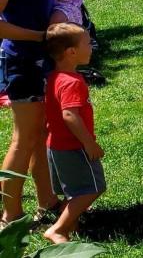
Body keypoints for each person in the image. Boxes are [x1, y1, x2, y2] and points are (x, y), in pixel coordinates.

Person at [0, 0, 60, 227]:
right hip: (23, 60)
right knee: (24, 138)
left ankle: (47, 201)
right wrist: (39, 36)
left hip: (42, 56)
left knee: (41, 133)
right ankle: (10, 216)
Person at [40, 23, 103, 244]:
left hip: (55, 145)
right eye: (87, 43)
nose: (91, 46)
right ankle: (58, 229)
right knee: (91, 189)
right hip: (73, 146)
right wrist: (89, 143)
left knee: (73, 190)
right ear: (71, 52)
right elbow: (70, 115)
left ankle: (71, 223)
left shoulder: (54, 77)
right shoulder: (72, 82)